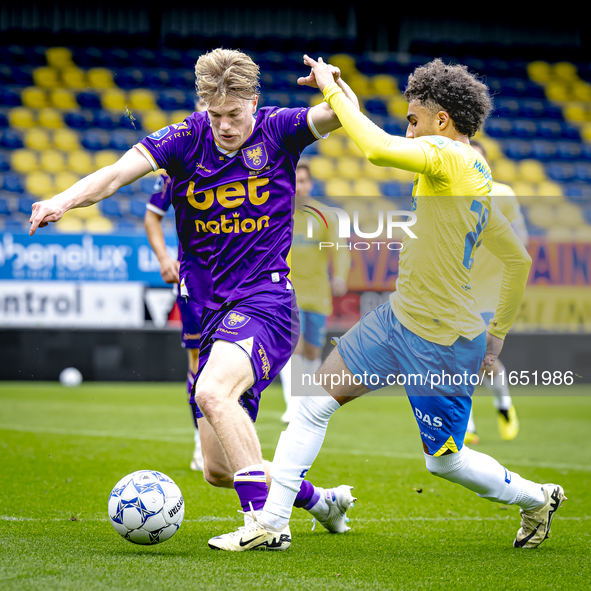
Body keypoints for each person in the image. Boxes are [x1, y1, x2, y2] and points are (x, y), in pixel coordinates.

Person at [212, 56, 566, 551]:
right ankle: (271, 525)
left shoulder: (450, 157)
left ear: (442, 121)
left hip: (441, 337)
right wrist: (499, 334)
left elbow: (377, 150)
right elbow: (518, 260)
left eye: (414, 120)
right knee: (312, 406)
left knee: (443, 461)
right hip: (399, 319)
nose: (409, 130)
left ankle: (537, 498)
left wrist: (332, 94)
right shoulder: (472, 174)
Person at [29, 48, 360, 551]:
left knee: (211, 393)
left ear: (254, 101)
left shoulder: (280, 129)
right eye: (216, 115)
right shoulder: (185, 138)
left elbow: (342, 114)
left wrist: (331, 83)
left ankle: (264, 527)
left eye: (235, 114)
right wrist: (60, 201)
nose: (225, 126)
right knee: (218, 468)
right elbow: (116, 175)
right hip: (211, 312)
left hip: (266, 301)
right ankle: (321, 501)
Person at [464, 139, 529, 444]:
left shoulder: (503, 194)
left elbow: (521, 239)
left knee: (482, 360)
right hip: (456, 291)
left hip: (490, 291)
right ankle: (467, 426)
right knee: (456, 361)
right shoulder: (451, 195)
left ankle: (503, 406)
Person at [279, 160, 350, 423]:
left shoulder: (325, 216)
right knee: (292, 347)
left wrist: (340, 276)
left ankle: (305, 397)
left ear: (311, 184)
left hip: (318, 295)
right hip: (288, 293)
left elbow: (340, 250)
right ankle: (293, 404)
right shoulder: (277, 215)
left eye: (304, 181)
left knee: (311, 350)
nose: (300, 186)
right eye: (295, 180)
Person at [144, 170, 205, 471]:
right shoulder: (175, 167)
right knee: (198, 362)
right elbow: (152, 216)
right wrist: (164, 258)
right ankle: (201, 442)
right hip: (196, 281)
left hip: (242, 279)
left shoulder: (246, 156)